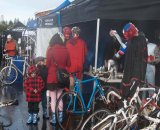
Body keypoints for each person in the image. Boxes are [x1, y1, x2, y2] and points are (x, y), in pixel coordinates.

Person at [46, 33, 70, 125]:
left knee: (53, 98)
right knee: (60, 96)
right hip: (62, 77)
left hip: (52, 77)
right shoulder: (66, 50)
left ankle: (54, 119)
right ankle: (60, 118)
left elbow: (47, 64)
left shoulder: (50, 50)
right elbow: (68, 64)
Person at [120, 22, 148, 99]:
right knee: (132, 96)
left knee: (131, 97)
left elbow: (120, 53)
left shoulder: (138, 40)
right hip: (136, 73)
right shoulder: (139, 40)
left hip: (135, 73)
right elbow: (121, 52)